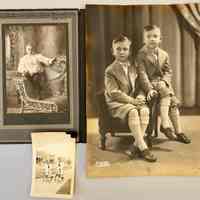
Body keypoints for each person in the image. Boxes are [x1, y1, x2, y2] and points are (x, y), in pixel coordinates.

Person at [104, 34, 157, 162]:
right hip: (118, 102)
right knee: (133, 111)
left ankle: (135, 144)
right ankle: (143, 147)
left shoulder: (133, 66)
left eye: (125, 49)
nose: (122, 52)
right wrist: (133, 101)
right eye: (118, 49)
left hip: (133, 99)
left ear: (129, 51)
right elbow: (114, 93)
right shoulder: (110, 70)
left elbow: (139, 86)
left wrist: (139, 96)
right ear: (113, 51)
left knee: (145, 110)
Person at [136, 25, 191, 144]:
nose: (152, 39)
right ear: (144, 39)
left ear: (160, 39)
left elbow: (168, 71)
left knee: (173, 103)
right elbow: (142, 75)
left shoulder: (164, 54)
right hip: (147, 85)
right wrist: (150, 88)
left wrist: (164, 81)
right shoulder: (141, 54)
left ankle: (178, 131)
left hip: (161, 84)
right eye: (148, 36)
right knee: (167, 94)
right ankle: (165, 124)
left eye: (155, 36)